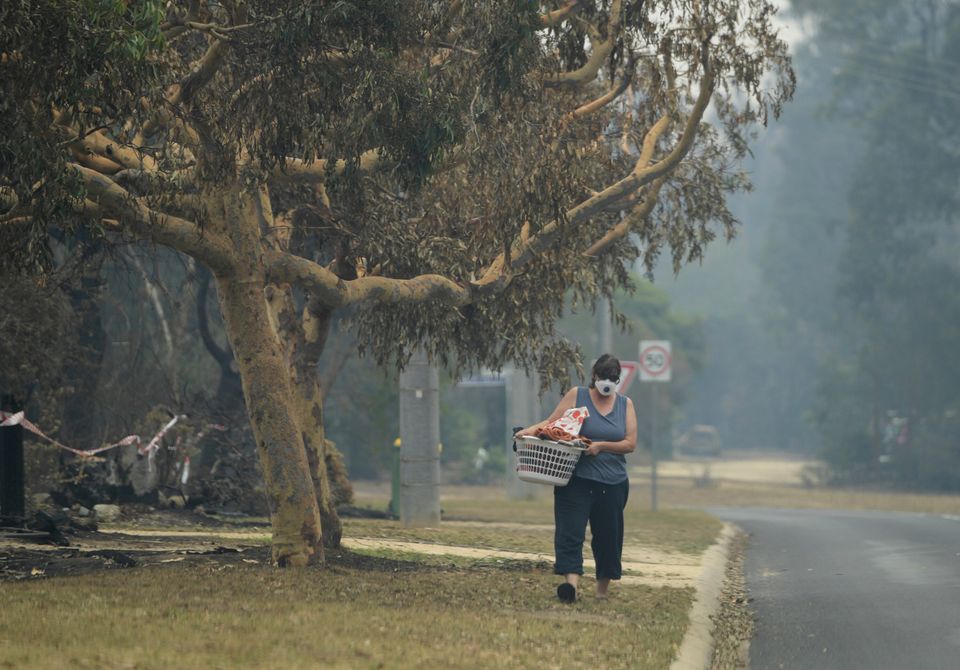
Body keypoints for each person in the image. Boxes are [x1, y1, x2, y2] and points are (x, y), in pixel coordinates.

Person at [515, 354, 638, 602]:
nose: (607, 383)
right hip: (575, 478)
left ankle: (602, 590)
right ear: (594, 376)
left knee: (608, 536)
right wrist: (527, 432)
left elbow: (630, 443)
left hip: (612, 482)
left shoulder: (625, 404)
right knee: (570, 531)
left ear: (618, 380)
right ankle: (570, 584)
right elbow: (552, 423)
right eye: (603, 377)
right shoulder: (577, 395)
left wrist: (601, 446)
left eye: (613, 379)